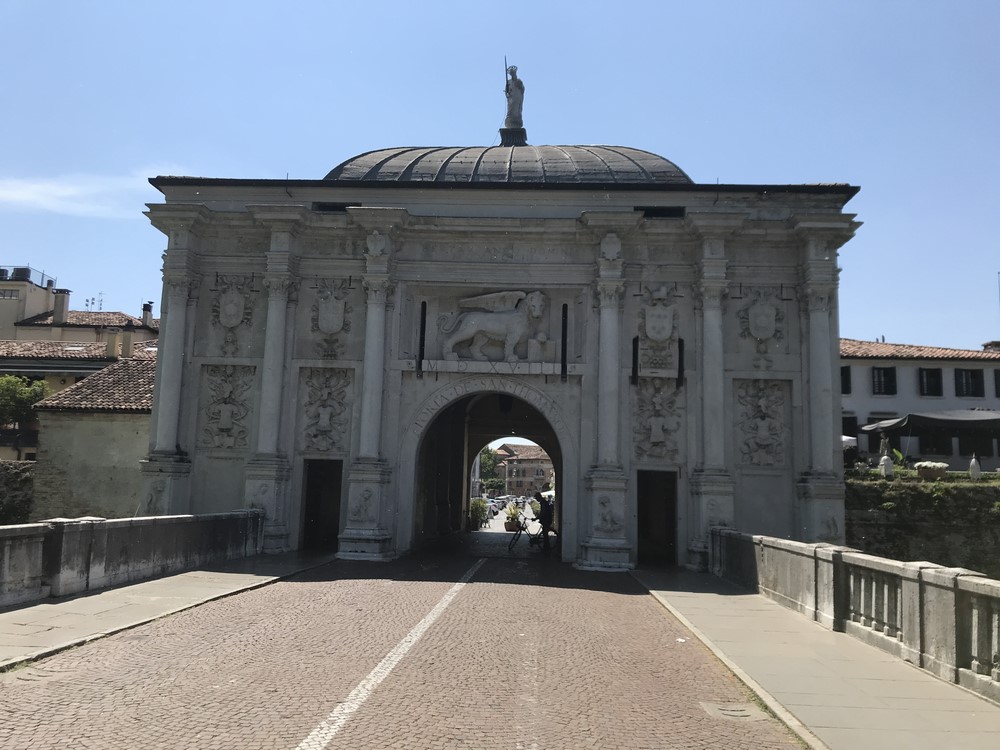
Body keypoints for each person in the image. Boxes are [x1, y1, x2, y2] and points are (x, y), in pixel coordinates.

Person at [536, 489, 554, 555]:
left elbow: (543, 512)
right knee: (545, 533)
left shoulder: (543, 502)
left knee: (545, 534)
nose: (536, 499)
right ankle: (546, 546)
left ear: (539, 497)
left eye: (536, 498)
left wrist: (537, 517)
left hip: (546, 519)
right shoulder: (544, 502)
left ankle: (547, 547)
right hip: (547, 519)